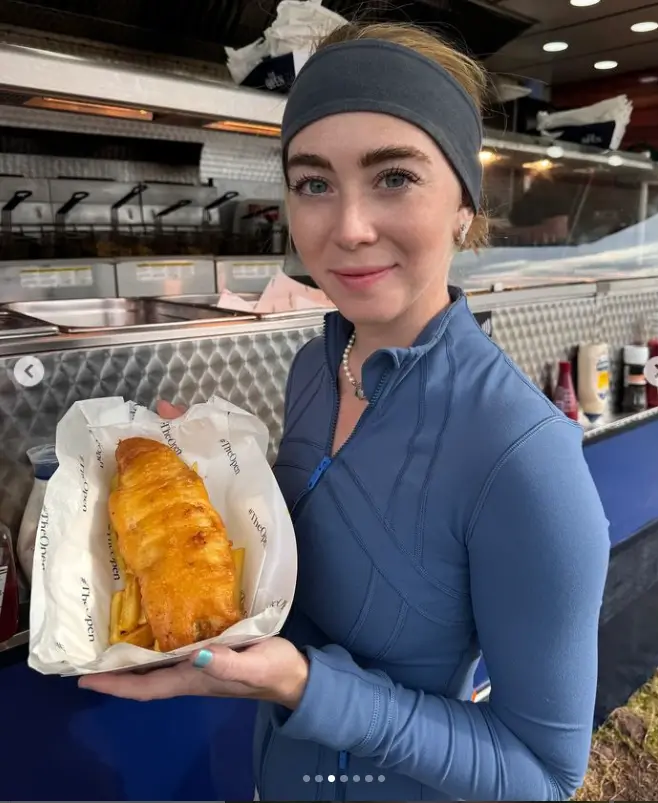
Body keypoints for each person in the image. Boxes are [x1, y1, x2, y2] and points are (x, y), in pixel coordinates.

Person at [80, 21, 610, 802]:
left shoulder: (524, 456)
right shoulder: (315, 367)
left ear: (464, 200)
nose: (348, 227)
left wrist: (304, 686)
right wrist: (204, 478)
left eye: (393, 176)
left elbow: (541, 774)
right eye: (314, 183)